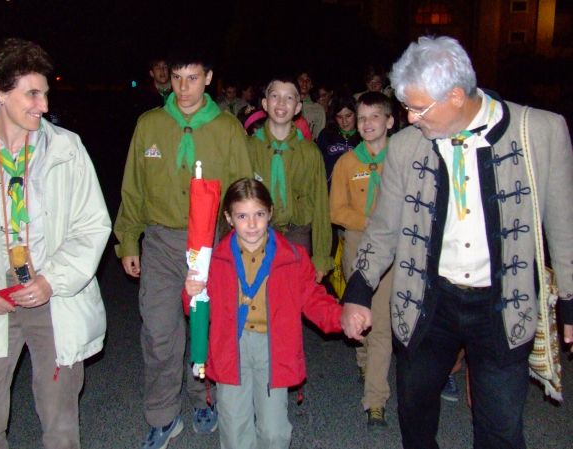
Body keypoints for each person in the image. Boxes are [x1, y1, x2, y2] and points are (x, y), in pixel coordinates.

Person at [341, 35, 573, 449]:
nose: (410, 118)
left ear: (455, 96)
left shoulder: (541, 131)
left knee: (500, 428)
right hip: (428, 301)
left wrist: (570, 302)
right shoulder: (405, 147)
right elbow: (384, 228)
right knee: (414, 414)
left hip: (501, 306)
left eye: (416, 107)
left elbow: (563, 226)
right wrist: (358, 290)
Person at [0, 38, 111, 449]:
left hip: (52, 300)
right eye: (32, 93)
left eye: (45, 93)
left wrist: (52, 280)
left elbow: (93, 225)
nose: (43, 105)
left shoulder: (67, 148)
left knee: (60, 423)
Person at [114, 49, 253, 449]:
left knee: (205, 329)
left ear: (208, 78)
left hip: (213, 244)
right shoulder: (150, 124)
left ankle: (201, 398)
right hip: (160, 241)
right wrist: (128, 239)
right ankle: (163, 415)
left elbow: (243, 189)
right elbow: (133, 187)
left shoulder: (227, 128)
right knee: (159, 333)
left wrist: (243, 246)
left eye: (192, 78)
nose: (183, 87)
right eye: (176, 78)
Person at [184, 178, 365, 449]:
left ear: (270, 212)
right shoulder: (215, 260)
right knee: (234, 428)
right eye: (242, 216)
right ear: (229, 219)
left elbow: (312, 298)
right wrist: (191, 291)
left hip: (274, 346)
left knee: (274, 432)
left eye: (258, 214)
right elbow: (196, 310)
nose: (252, 224)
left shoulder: (291, 257)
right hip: (231, 347)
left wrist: (340, 318)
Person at [330, 91, 395, 428]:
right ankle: (364, 359)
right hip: (357, 243)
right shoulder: (346, 162)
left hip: (392, 249)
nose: (367, 123)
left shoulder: (399, 159)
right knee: (359, 312)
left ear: (389, 121)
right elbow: (336, 210)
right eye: (362, 117)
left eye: (375, 117)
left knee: (381, 323)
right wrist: (367, 222)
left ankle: (375, 400)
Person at [248, 76, 333, 283]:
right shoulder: (249, 148)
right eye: (275, 96)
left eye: (289, 98)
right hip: (256, 234)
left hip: (297, 234)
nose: (281, 103)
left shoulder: (310, 152)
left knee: (291, 300)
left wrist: (321, 257)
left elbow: (321, 205)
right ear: (265, 104)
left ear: (298, 107)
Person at [316, 95, 361, 187]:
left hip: (357, 191)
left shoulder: (364, 136)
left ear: (357, 114)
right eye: (339, 117)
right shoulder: (326, 135)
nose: (344, 121)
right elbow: (316, 167)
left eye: (348, 116)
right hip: (330, 192)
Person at [296, 70, 326, 139]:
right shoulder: (287, 104)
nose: (304, 83)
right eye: (301, 79)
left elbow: (319, 137)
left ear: (311, 85)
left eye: (308, 80)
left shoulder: (318, 109)